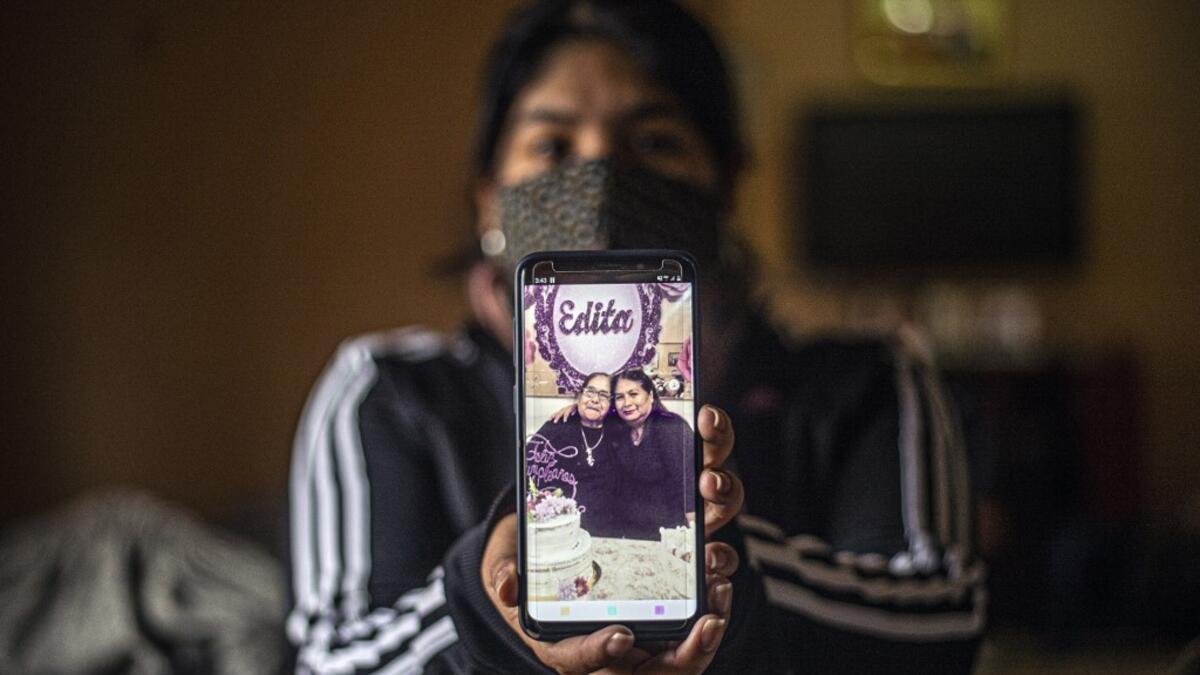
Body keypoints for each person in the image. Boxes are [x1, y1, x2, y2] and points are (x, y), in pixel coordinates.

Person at [286, 1, 985, 673]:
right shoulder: (390, 394)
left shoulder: (866, 383)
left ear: (725, 184)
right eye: (552, 144)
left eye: (655, 142)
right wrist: (493, 586)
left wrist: (713, 554)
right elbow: (333, 660)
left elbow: (940, 623)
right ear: (489, 196)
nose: (599, 175)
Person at [525, 372, 624, 536]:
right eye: (590, 392)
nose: (594, 400)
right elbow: (527, 471)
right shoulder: (556, 426)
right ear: (580, 395)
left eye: (604, 395)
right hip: (557, 532)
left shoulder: (619, 434)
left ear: (612, 404)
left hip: (604, 533)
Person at [610, 368, 694, 539]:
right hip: (628, 532)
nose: (626, 403)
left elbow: (688, 485)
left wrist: (693, 537)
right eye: (619, 397)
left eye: (634, 394)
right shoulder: (620, 430)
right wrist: (574, 407)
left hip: (666, 534)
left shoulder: (670, 426)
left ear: (650, 395)